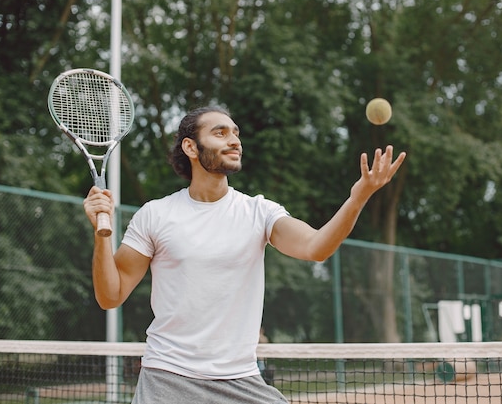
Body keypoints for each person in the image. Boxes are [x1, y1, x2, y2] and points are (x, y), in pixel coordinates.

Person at [83, 105, 406, 403]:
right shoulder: (155, 214)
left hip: (240, 379)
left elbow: (316, 248)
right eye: (220, 132)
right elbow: (110, 296)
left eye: (236, 132)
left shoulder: (259, 212)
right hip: (168, 377)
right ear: (191, 147)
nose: (234, 140)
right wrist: (101, 237)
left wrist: (358, 197)